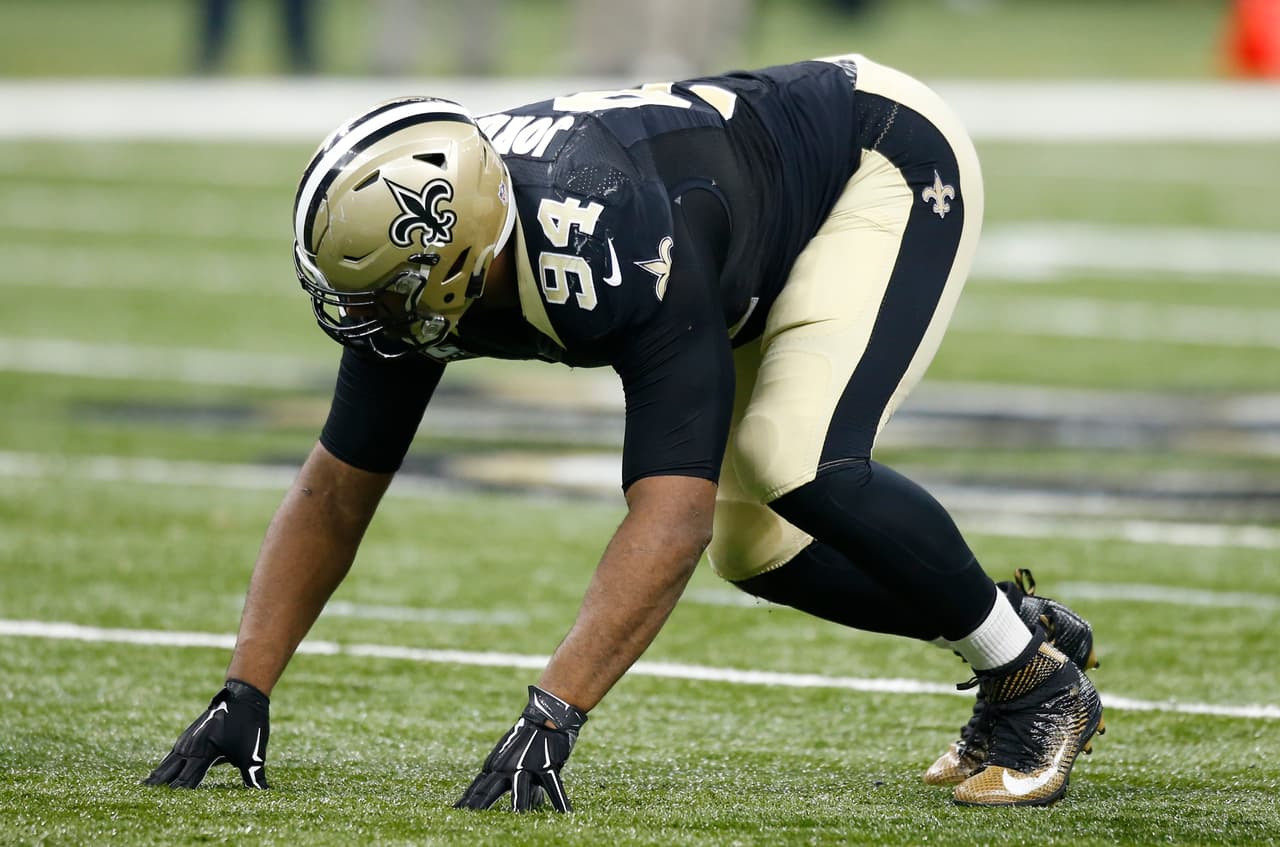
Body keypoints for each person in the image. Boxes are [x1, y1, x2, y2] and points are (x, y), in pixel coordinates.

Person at [143, 53, 1104, 810]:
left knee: (793, 462)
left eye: (382, 293)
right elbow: (335, 487)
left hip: (874, 163)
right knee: (758, 546)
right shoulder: (451, 250)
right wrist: (245, 687)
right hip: (739, 243)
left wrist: (554, 713)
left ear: (456, 255)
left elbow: (666, 515)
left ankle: (1033, 679)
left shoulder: (603, 238)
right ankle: (1018, 631)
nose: (368, 319)